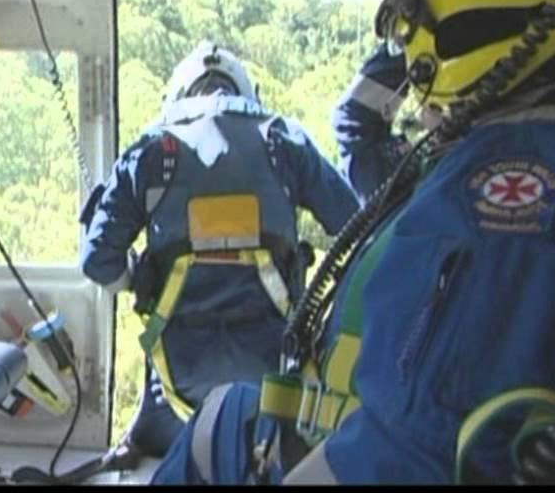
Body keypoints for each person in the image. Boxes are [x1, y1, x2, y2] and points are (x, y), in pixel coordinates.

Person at [150, 0, 555, 484]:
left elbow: (420, 446)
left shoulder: (502, 190)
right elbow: (349, 190)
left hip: (352, 451)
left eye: (421, 58)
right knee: (225, 413)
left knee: (213, 425)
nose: (418, 92)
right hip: (337, 420)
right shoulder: (546, 155)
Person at [79, 42, 360, 457]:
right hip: (273, 378)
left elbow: (97, 264)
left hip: (178, 379)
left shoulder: (150, 151)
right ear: (245, 91)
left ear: (177, 94)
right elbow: (355, 225)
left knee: (161, 435)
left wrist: (140, 276)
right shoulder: (284, 141)